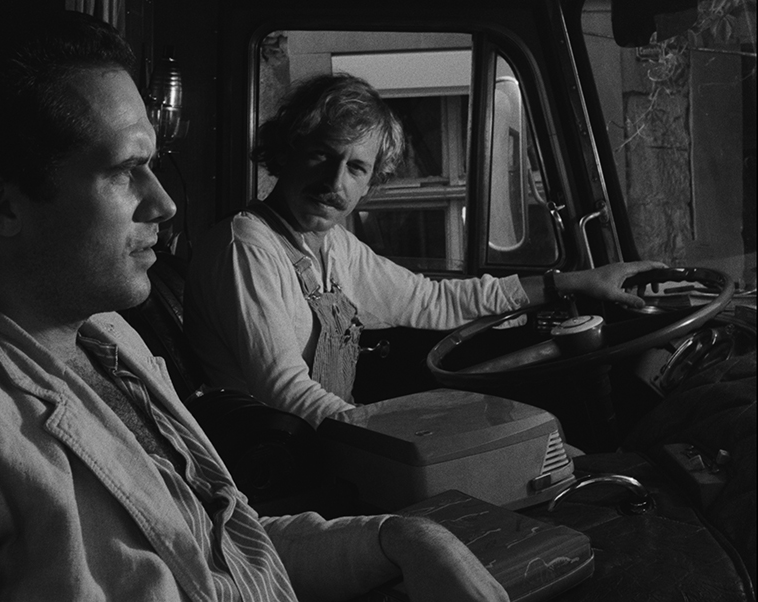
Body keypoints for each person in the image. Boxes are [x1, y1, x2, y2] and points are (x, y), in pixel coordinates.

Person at [0, 11, 509, 602]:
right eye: (125, 171)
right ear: (2, 206)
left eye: (154, 166)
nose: (163, 204)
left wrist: (397, 538)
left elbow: (223, 552)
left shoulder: (111, 341)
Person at [184, 73, 664, 427]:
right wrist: (390, 439)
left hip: (326, 438)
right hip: (276, 465)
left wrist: (573, 282)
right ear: (287, 150)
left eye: (356, 168)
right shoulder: (245, 245)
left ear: (370, 181)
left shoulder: (333, 247)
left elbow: (433, 300)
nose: (335, 182)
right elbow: (283, 391)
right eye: (321, 155)